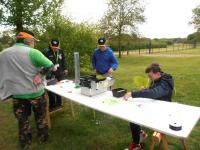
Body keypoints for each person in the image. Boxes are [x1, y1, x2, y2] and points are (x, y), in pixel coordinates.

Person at [0, 31, 55, 149]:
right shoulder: (33, 53)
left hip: (17, 94)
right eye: (34, 41)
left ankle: (25, 142)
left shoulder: (3, 53)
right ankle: (43, 138)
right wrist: (40, 75)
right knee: (41, 118)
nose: (34, 43)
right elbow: (50, 65)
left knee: (22, 120)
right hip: (35, 93)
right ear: (29, 41)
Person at [124, 63, 174, 150]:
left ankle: (137, 144)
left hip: (163, 110)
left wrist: (132, 93)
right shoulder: (158, 78)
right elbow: (153, 90)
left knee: (134, 117)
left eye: (150, 76)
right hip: (154, 104)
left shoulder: (166, 82)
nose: (149, 78)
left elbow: (154, 93)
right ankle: (140, 135)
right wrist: (146, 90)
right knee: (133, 114)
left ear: (158, 73)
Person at [43, 39, 68, 112]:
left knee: (59, 89)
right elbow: (43, 64)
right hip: (50, 74)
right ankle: (52, 106)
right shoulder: (46, 52)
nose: (55, 49)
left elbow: (63, 60)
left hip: (59, 73)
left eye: (56, 47)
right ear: (50, 45)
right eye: (53, 47)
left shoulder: (60, 51)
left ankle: (59, 103)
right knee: (51, 91)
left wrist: (65, 68)